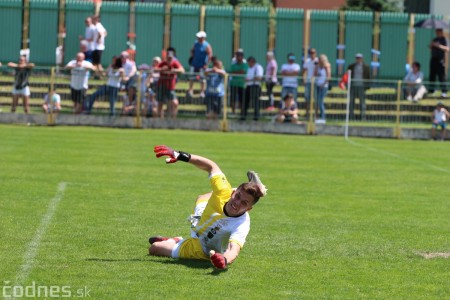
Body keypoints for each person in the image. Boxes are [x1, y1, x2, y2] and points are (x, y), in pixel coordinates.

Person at [149, 145, 267, 270]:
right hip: (203, 215)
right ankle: (177, 240)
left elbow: (234, 250)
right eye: (237, 196)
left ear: (248, 209)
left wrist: (224, 259)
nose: (237, 203)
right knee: (202, 197)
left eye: (244, 203)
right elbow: (211, 166)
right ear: (233, 193)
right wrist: (180, 155)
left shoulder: (242, 224)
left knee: (154, 248)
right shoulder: (224, 191)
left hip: (202, 246)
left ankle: (176, 240)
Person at [153, 50, 185, 119]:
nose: (169, 59)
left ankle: (173, 119)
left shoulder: (175, 63)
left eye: (171, 58)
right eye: (168, 57)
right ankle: (160, 120)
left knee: (175, 103)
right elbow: (155, 69)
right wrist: (162, 69)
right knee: (160, 104)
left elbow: (182, 70)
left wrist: (174, 70)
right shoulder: (163, 63)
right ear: (166, 57)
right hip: (161, 85)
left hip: (170, 87)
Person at [187, 31, 213, 98]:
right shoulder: (195, 43)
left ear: (203, 38)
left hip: (202, 65)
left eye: (200, 37)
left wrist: (207, 64)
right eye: (198, 37)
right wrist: (192, 56)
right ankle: (190, 90)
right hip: (194, 64)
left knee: (202, 79)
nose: (198, 38)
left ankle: (202, 92)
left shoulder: (207, 45)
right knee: (192, 78)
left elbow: (210, 55)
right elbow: (192, 50)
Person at [347, 53, 370, 120]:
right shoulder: (351, 66)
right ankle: (351, 117)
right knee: (351, 102)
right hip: (353, 86)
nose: (358, 59)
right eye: (357, 58)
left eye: (359, 58)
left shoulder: (366, 67)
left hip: (361, 87)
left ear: (362, 59)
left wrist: (367, 87)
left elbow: (368, 77)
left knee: (362, 103)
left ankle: (363, 117)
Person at [428, 28, 449, 98]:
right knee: (432, 75)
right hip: (434, 59)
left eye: (438, 31)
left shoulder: (444, 39)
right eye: (436, 31)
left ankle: (444, 92)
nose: (437, 33)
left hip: (440, 60)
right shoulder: (434, 39)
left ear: (441, 32)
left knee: (441, 76)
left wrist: (438, 46)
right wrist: (431, 45)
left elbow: (447, 49)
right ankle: (431, 90)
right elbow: (430, 49)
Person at [242, 56, 263, 121]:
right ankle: (243, 116)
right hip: (248, 86)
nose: (248, 64)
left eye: (249, 62)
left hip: (255, 86)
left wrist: (249, 80)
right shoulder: (249, 68)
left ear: (252, 62)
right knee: (245, 101)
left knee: (255, 102)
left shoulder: (258, 67)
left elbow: (259, 77)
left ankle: (256, 116)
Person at [228, 49, 248, 115]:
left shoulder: (245, 65)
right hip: (233, 84)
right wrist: (239, 72)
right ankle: (233, 112)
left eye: (238, 56)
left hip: (241, 85)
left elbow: (243, 72)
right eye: (236, 56)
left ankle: (241, 112)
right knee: (232, 99)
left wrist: (236, 72)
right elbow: (232, 72)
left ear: (242, 56)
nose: (237, 57)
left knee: (241, 99)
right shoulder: (233, 65)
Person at [314, 54, 331, 121]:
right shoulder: (318, 66)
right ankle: (316, 116)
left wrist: (323, 84)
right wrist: (316, 67)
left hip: (324, 86)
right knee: (317, 102)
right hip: (317, 85)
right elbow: (314, 74)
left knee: (320, 102)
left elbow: (328, 77)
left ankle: (323, 117)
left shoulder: (327, 66)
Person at [302, 48, 318, 116]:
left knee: (316, 98)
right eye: (311, 53)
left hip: (316, 82)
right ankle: (307, 112)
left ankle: (316, 113)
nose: (312, 54)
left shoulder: (318, 60)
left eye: (313, 52)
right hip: (308, 82)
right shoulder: (307, 61)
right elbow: (304, 71)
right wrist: (304, 80)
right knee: (307, 97)